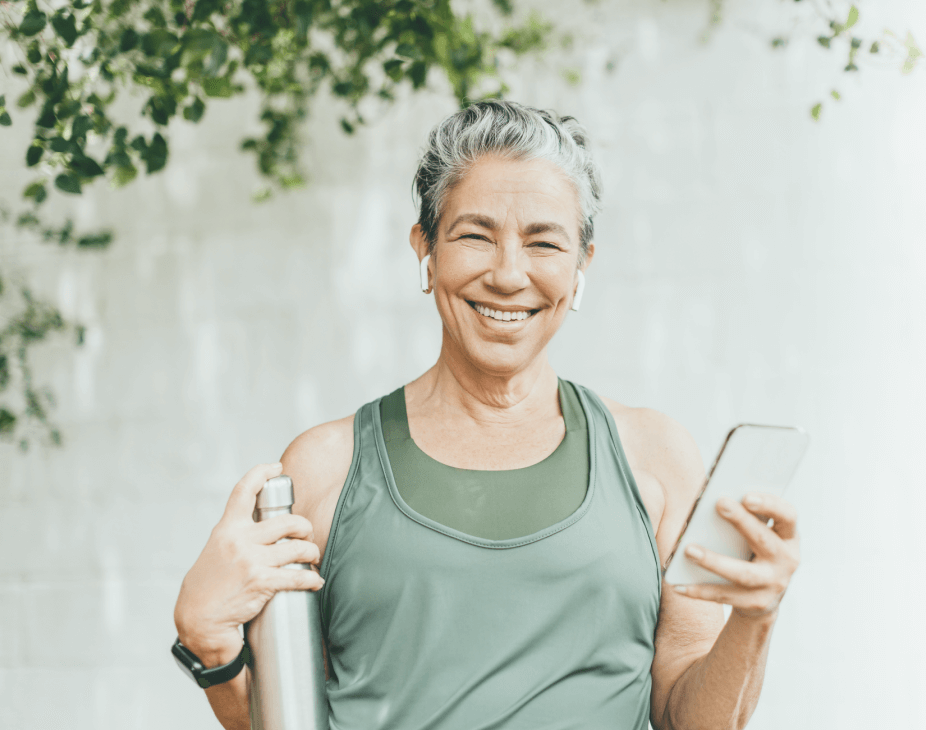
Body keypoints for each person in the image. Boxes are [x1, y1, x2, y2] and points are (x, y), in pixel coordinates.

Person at [170, 100, 800, 730]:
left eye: (544, 242)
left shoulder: (655, 460)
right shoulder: (325, 467)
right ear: (426, 249)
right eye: (474, 235)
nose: (507, 274)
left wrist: (755, 616)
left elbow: (693, 721)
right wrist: (210, 643)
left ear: (581, 266)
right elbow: (288, 721)